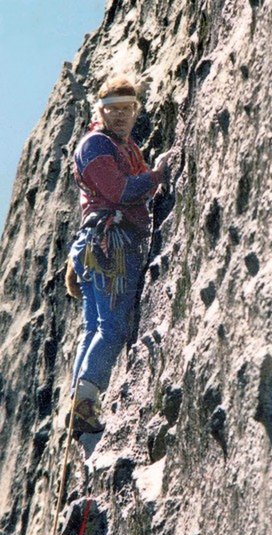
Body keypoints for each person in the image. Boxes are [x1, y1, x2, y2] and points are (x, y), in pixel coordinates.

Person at [66, 76, 171, 434]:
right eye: (114, 110)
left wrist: (150, 175)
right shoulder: (96, 144)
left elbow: (127, 184)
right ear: (101, 112)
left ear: (135, 111)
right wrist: (159, 176)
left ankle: (80, 401)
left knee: (95, 327)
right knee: (111, 329)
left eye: (128, 109)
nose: (122, 116)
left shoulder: (124, 147)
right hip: (111, 242)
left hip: (100, 241)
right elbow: (119, 190)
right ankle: (84, 400)